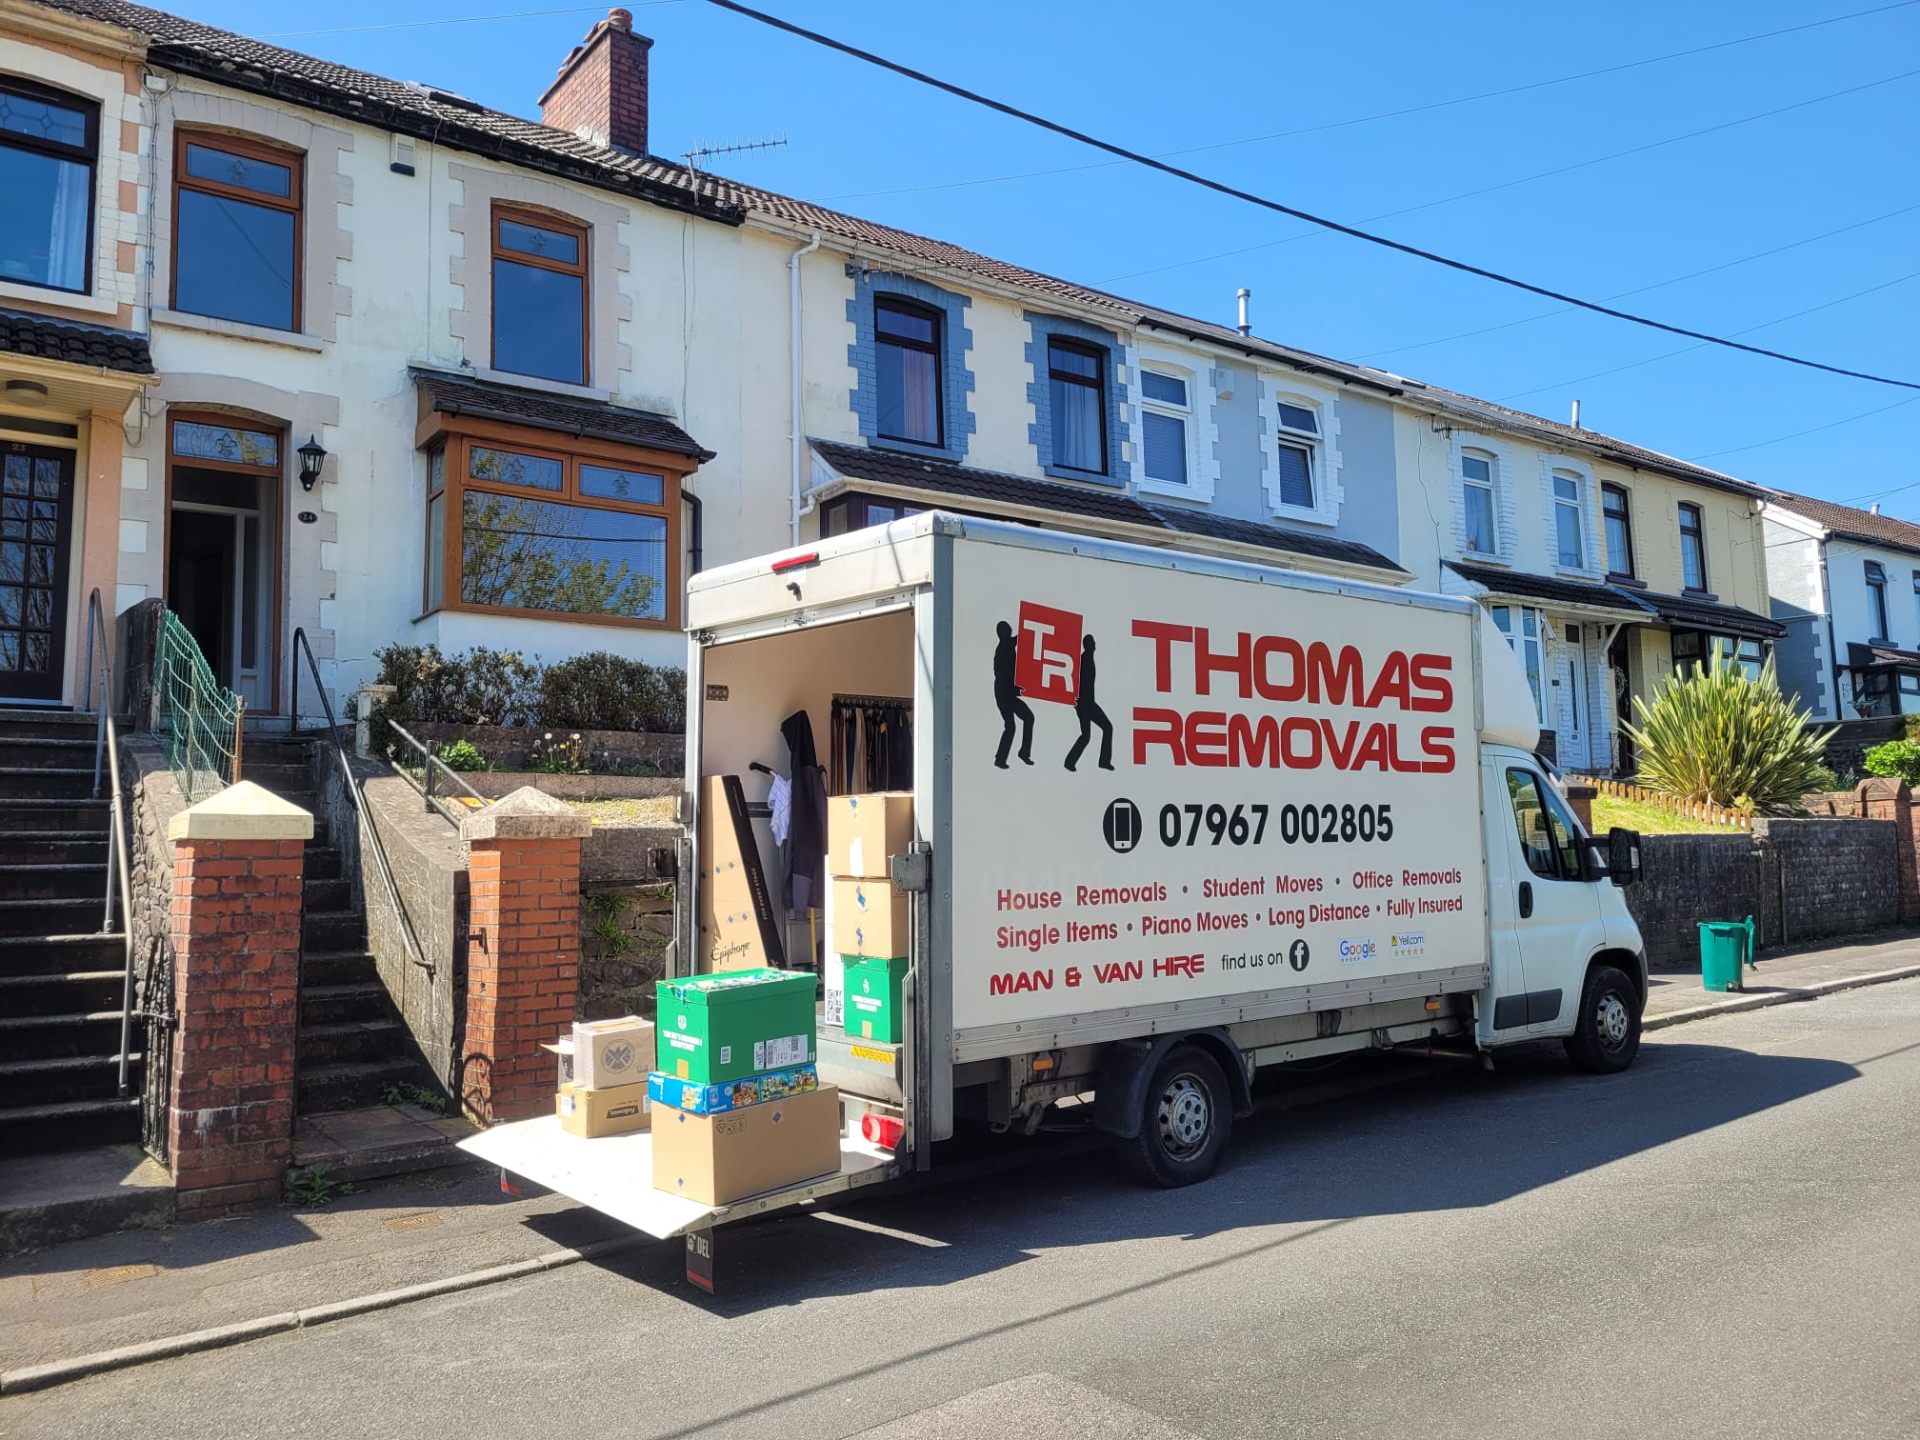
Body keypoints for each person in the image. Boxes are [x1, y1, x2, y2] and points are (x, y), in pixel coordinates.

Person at [1064, 633, 1113, 772]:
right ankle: (1102, 761)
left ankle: (1070, 762)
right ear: (1089, 645)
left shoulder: (1087, 658)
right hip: (1086, 704)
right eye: (1093, 643)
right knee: (1107, 728)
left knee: (1086, 735)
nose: (1095, 645)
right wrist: (1076, 700)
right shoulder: (1084, 659)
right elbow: (1077, 681)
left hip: (1086, 703)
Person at [992, 620, 1034, 769]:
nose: (1010, 631)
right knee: (1012, 725)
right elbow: (1003, 676)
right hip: (1004, 694)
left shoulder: (1007, 644)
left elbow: (1020, 638)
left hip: (1007, 693)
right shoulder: (1003, 648)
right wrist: (1015, 690)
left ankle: (1020, 753)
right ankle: (1002, 758)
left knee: (1024, 720)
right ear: (1002, 633)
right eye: (1007, 629)